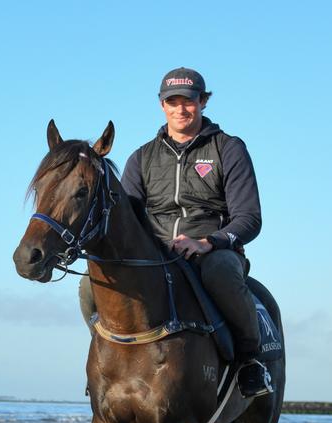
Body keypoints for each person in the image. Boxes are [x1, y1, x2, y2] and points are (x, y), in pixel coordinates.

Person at [85, 67, 272, 398]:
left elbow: (249, 218)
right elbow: (126, 217)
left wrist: (206, 243)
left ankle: (250, 363)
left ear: (202, 101)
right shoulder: (142, 157)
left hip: (211, 252)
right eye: (172, 102)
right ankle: (107, 363)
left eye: (188, 101)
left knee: (222, 274)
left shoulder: (228, 149)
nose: (180, 109)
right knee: (89, 286)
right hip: (155, 257)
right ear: (162, 106)